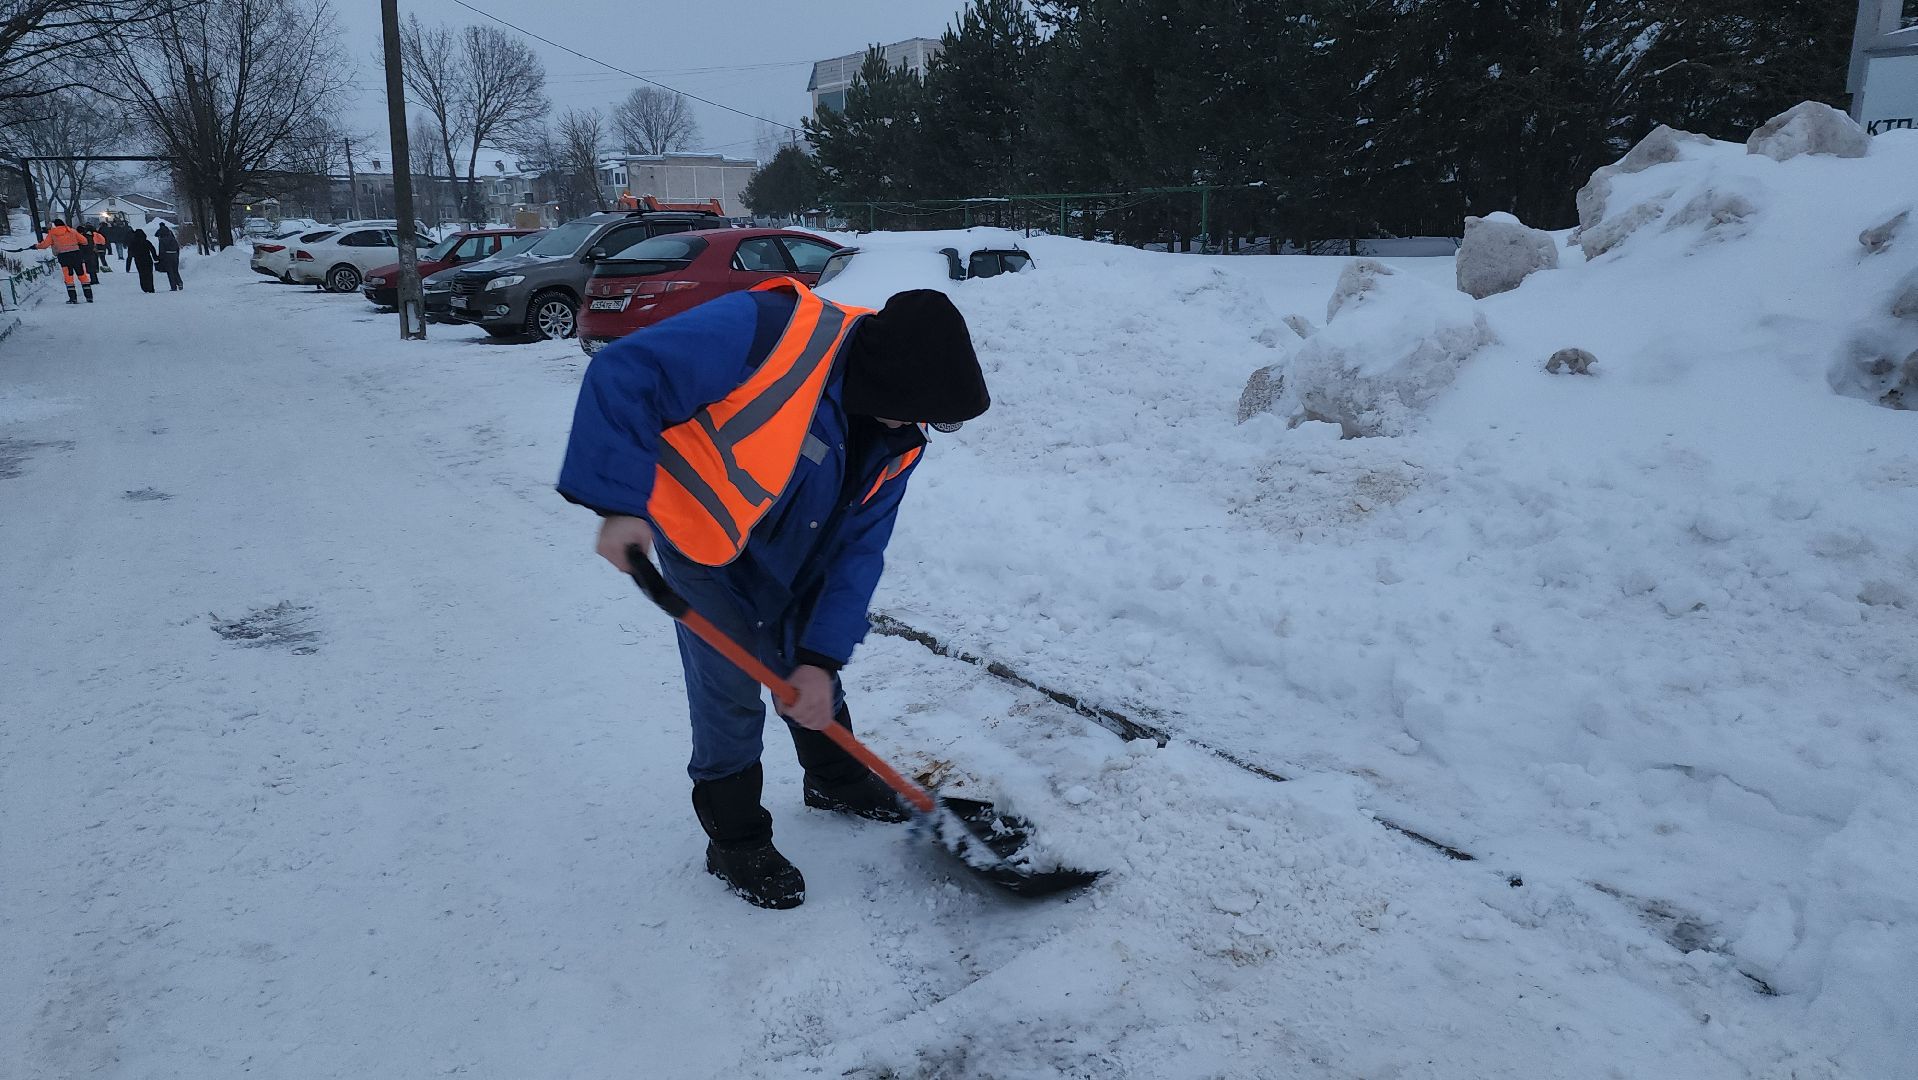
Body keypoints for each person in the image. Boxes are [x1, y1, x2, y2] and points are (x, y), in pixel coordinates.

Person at [558, 280, 990, 910]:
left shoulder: (895, 438)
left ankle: (835, 780)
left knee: (806, 664)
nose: (917, 422)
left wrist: (819, 659)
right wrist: (620, 504)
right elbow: (627, 369)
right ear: (888, 378)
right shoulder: (771, 328)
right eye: (916, 407)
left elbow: (857, 554)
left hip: (792, 544)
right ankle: (734, 839)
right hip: (702, 535)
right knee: (732, 684)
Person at [33, 219, 95, 304]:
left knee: (68, 277)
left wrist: (36, 246)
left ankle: (73, 299)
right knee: (82, 275)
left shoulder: (52, 233)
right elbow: (84, 241)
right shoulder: (72, 231)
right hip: (76, 255)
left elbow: (45, 245)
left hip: (64, 257)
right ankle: (89, 297)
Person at [126, 226, 157, 293]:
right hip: (148, 259)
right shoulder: (147, 242)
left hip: (139, 261)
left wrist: (128, 267)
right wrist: (155, 258)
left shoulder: (132, 243)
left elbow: (130, 255)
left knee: (142, 274)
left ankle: (145, 287)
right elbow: (152, 250)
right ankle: (151, 288)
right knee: (149, 274)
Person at [155, 222, 182, 291]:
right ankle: (180, 282)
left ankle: (173, 286)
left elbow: (162, 251)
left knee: (170, 271)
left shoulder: (161, 240)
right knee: (175, 270)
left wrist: (160, 259)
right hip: (175, 255)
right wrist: (177, 256)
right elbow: (177, 248)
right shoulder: (173, 239)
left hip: (167, 257)